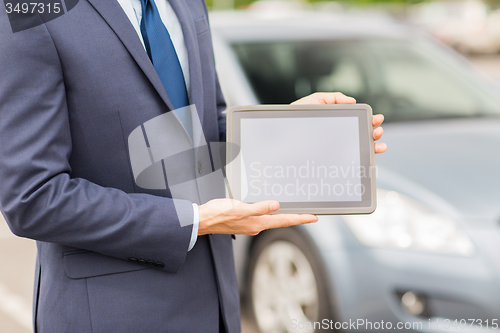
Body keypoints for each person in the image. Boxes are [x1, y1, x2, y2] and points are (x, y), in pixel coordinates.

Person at [0, 0, 386, 332]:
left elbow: (200, 130)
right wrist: (194, 220)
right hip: (112, 314)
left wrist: (286, 130)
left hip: (215, 303)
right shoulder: (28, 11)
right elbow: (34, 198)